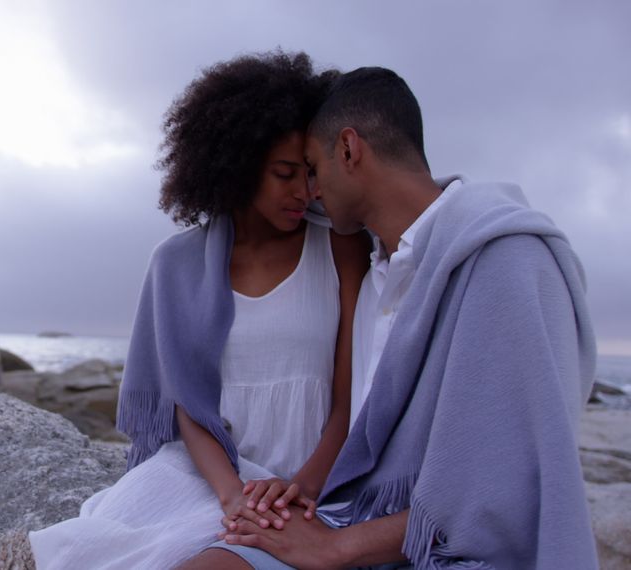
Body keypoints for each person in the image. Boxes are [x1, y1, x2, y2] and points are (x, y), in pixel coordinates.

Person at [184, 66, 598, 569]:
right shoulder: (376, 268)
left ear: (349, 150)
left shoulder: (507, 262)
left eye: (313, 167)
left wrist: (336, 548)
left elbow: (510, 484)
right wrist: (294, 498)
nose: (311, 192)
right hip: (352, 514)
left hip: (446, 550)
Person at [28, 50, 369, 570]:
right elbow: (190, 406)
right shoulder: (176, 264)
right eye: (284, 174)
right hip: (208, 478)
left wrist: (297, 491)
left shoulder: (341, 248)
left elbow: (348, 404)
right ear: (236, 165)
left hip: (312, 485)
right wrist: (234, 495)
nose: (305, 192)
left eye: (308, 172)